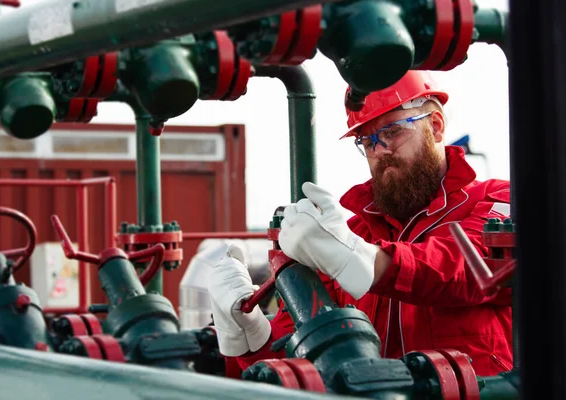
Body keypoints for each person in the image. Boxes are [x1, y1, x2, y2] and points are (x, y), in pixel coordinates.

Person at [207, 70, 513, 377]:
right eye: (367, 141)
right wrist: (251, 336)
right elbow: (301, 361)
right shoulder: (351, 236)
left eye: (392, 131)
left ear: (435, 126)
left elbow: (468, 267)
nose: (380, 151)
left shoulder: (498, 199)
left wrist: (365, 261)